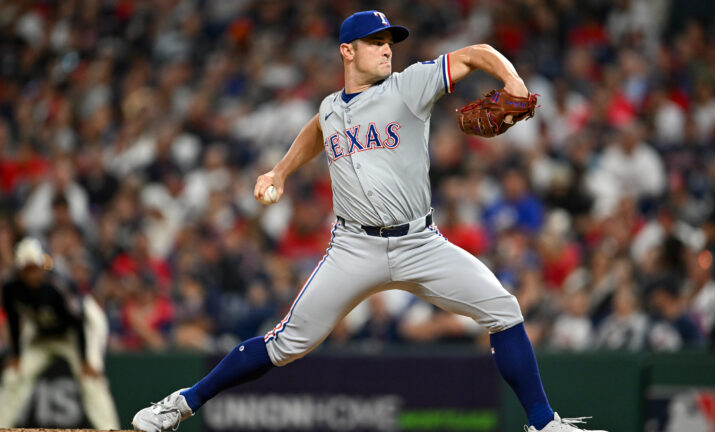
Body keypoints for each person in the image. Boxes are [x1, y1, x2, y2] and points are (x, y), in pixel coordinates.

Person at [132, 11, 606, 432]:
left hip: (420, 243)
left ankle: (544, 424)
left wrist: (514, 83)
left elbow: (477, 52)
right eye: (376, 42)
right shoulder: (330, 107)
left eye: (389, 42)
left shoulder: (409, 86)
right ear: (347, 50)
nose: (386, 49)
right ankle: (180, 405)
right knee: (286, 345)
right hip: (353, 249)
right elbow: (318, 130)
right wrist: (279, 170)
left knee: (503, 309)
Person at [0, 238, 119, 429]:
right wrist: (16, 354)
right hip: (41, 333)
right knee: (14, 375)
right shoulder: (10, 288)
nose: (32, 274)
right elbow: (13, 320)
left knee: (90, 378)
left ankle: (108, 428)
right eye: (27, 269)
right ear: (19, 269)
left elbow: (78, 321)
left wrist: (85, 360)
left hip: (74, 333)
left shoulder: (56, 286)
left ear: (42, 266)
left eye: (35, 268)